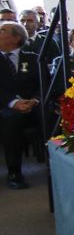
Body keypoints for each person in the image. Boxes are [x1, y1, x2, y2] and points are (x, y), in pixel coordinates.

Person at [1, 20, 41, 190]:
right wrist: (14, 103)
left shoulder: (33, 58)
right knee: (11, 119)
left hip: (33, 105)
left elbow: (43, 83)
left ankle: (57, 165)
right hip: (6, 106)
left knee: (51, 114)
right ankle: (14, 172)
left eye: (3, 30)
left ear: (16, 38)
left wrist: (35, 100)